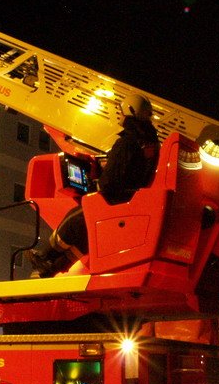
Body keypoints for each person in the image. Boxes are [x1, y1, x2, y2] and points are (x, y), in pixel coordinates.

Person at [28, 93, 160, 277]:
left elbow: (111, 182)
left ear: (129, 112)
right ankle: (52, 268)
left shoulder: (127, 142)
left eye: (121, 112)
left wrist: (96, 185)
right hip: (131, 200)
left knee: (76, 217)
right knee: (86, 237)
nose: (120, 116)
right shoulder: (150, 143)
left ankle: (44, 256)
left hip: (118, 201)